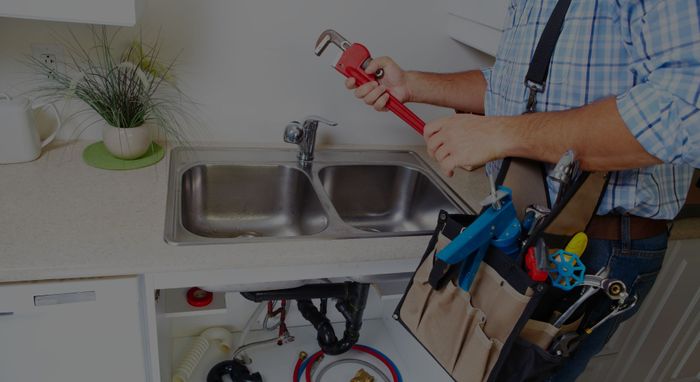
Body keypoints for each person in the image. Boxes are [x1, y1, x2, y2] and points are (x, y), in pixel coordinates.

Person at [342, 0, 700, 380]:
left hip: (591, 247)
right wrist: (412, 85)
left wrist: (501, 133)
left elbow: (685, 113)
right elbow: (510, 86)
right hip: (524, 225)